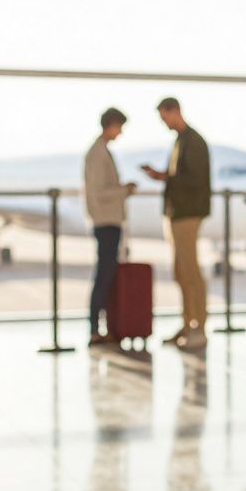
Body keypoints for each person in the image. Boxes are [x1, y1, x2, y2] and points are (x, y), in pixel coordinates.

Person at [142, 97, 211, 350]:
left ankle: (199, 326)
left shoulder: (194, 142)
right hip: (176, 213)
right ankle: (188, 323)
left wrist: (166, 177)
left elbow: (193, 179)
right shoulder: (180, 141)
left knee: (190, 271)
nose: (164, 123)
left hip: (187, 214)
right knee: (180, 271)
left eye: (164, 117)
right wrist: (164, 176)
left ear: (175, 112)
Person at [84, 107, 136, 345]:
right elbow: (99, 192)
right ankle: (95, 328)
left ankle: (103, 326)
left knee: (107, 274)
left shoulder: (102, 151)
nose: (121, 133)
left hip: (110, 221)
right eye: (120, 127)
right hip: (105, 222)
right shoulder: (97, 153)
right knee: (104, 276)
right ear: (112, 125)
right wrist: (123, 190)